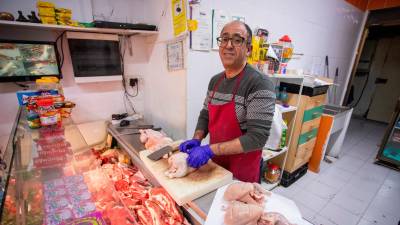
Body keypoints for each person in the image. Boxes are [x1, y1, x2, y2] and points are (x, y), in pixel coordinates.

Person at [180, 21, 275, 182]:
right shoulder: (215, 81)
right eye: (224, 39)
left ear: (249, 49)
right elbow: (206, 115)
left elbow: (257, 138)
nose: (228, 45)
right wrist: (197, 138)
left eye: (237, 40)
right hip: (216, 167)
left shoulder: (259, 83)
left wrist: (209, 150)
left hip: (242, 172)